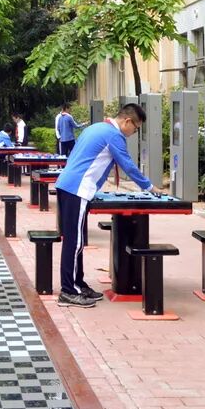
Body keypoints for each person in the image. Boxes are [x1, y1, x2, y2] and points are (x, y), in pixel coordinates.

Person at [54, 103, 156, 308]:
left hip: (68, 185)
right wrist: (150, 187)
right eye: (136, 129)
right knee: (74, 242)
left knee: (76, 241)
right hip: (77, 189)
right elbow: (128, 165)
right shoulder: (113, 135)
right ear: (127, 121)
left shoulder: (97, 127)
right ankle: (68, 291)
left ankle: (78, 284)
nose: (133, 133)